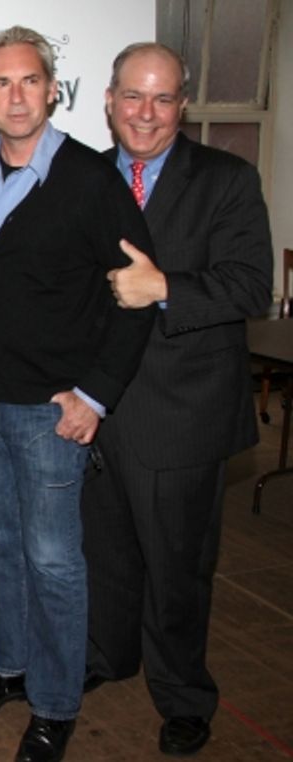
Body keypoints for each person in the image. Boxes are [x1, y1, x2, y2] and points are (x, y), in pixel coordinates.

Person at [0, 26, 155, 762]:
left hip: (50, 415)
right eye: (0, 83)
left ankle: (58, 703)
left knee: (54, 561)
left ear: (52, 91)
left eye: (29, 80)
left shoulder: (90, 180)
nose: (15, 95)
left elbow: (140, 294)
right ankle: (8, 668)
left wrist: (94, 397)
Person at [83, 42, 273, 757]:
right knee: (107, 555)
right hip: (96, 411)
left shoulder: (226, 179)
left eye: (163, 100)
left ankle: (185, 695)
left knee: (178, 569)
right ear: (110, 99)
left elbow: (253, 285)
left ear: (182, 107)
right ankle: (109, 657)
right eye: (134, 96)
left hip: (181, 413)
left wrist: (164, 286)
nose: (147, 114)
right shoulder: (88, 176)